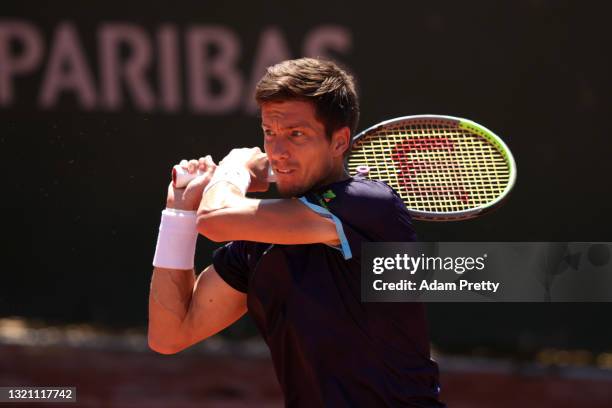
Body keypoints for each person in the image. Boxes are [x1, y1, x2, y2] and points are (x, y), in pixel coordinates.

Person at [149, 58, 445, 407]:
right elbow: (170, 335)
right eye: (270, 133)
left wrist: (233, 170)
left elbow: (215, 218)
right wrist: (179, 213)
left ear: (339, 141)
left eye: (296, 134)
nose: (277, 151)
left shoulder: (369, 205)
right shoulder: (258, 244)